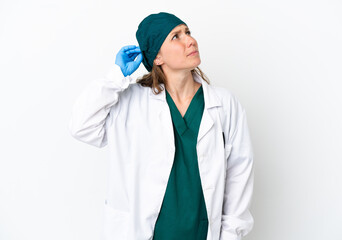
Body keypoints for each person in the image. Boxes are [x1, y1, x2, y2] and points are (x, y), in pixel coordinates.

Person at [68, 12, 254, 240]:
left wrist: (230, 234)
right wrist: (115, 77)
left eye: (188, 32)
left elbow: (239, 173)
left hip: (202, 233)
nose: (190, 40)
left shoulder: (224, 104)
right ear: (157, 57)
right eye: (176, 36)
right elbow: (81, 126)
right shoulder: (131, 102)